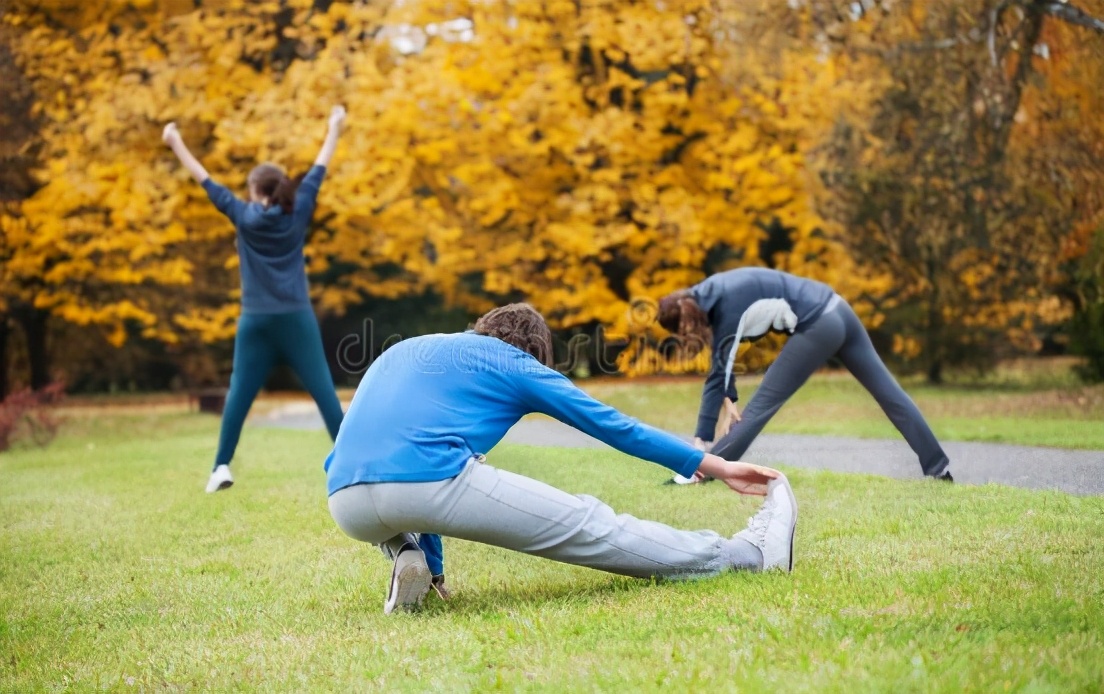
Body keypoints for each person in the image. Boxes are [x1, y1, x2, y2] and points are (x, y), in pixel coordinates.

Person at [324, 303, 798, 615]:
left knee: (411, 481)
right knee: (590, 524)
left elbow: (378, 448)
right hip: (426, 482)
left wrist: (434, 564)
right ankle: (747, 556)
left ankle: (408, 555)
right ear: (534, 355)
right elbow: (616, 427)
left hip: (346, 503)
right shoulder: (513, 361)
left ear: (481, 328)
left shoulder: (407, 350)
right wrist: (716, 464)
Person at [163, 107, 348, 494]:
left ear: (253, 191)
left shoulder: (243, 216)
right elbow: (320, 164)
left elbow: (204, 178)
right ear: (279, 188)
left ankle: (220, 467)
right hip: (295, 317)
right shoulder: (298, 210)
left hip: (256, 320)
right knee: (324, 392)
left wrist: (175, 141)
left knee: (239, 394)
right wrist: (333, 126)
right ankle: (353, 462)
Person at [657, 267, 953, 484]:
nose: (690, 335)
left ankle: (701, 472)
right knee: (890, 394)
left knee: (760, 406)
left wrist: (699, 443)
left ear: (686, 315)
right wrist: (729, 396)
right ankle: (938, 469)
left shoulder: (726, 309)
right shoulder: (710, 291)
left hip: (818, 325)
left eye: (685, 330)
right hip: (839, 309)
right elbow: (724, 357)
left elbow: (718, 371)